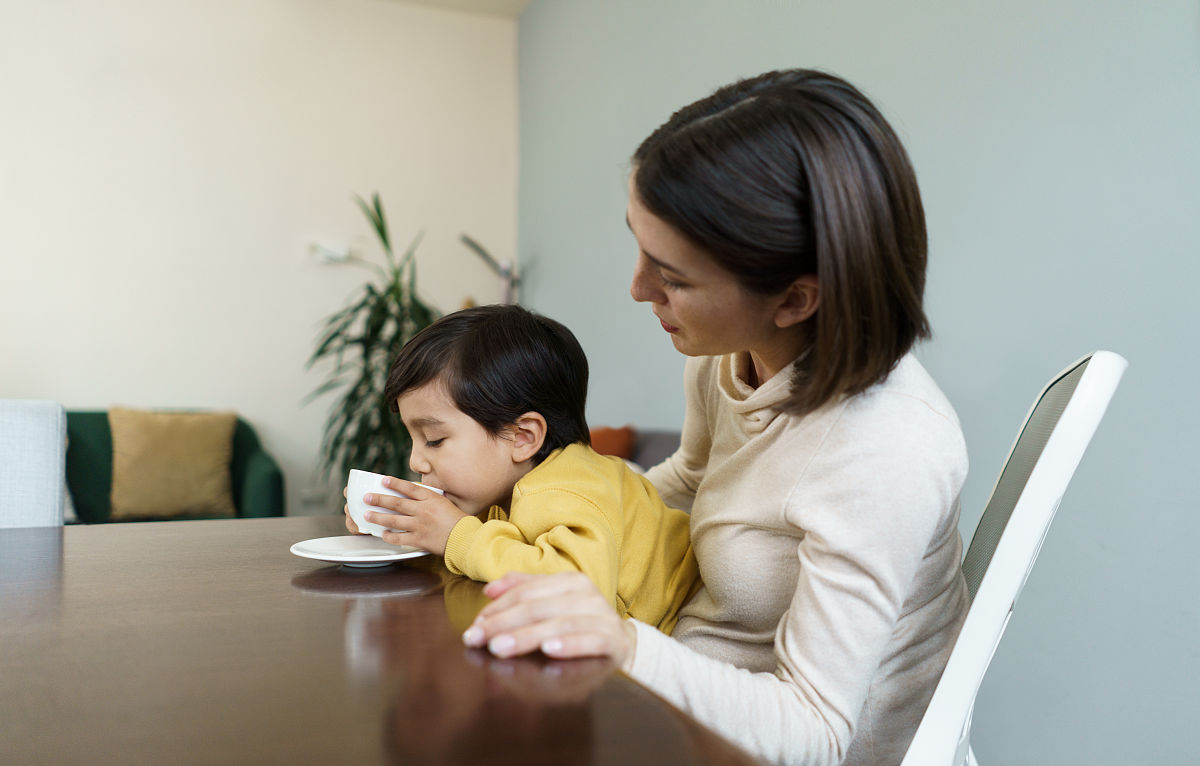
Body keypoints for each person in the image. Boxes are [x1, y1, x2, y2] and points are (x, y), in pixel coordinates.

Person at [459, 69, 971, 766]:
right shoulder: (725, 358)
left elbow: (815, 734)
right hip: (680, 705)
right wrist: (529, 504)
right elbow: (687, 479)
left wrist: (624, 641)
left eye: (672, 277)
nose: (638, 288)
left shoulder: (887, 450)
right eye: (640, 247)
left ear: (795, 300)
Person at [346, 304, 700, 634]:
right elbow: (492, 556)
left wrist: (455, 535)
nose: (415, 461)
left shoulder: (566, 488)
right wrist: (400, 529)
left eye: (434, 439)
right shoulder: (504, 489)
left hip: (682, 642)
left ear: (522, 438)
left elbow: (576, 591)